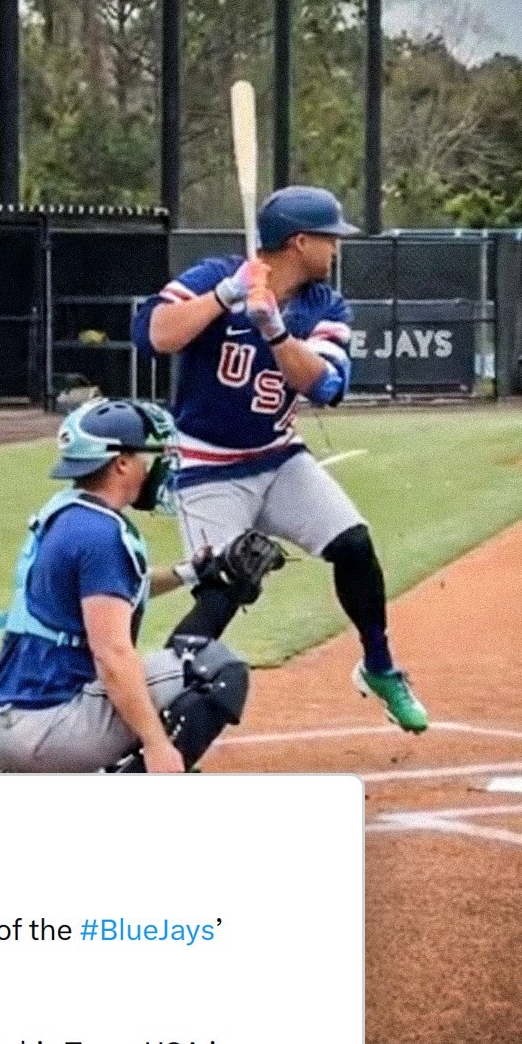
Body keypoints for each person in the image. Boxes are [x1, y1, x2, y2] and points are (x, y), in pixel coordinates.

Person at [131, 185, 428, 733]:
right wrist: (225, 295)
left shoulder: (324, 307)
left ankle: (381, 667)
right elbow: (153, 335)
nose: (335, 250)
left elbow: (324, 384)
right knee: (226, 586)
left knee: (354, 545)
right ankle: (144, 717)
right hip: (209, 464)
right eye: (329, 239)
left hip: (278, 455)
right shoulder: (214, 275)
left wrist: (272, 327)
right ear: (298, 242)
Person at [0, 398, 275, 774]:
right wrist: (157, 744)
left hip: (16, 714)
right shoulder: (101, 536)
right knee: (217, 670)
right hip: (50, 726)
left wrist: (192, 572)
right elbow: (112, 655)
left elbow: (120, 589)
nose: (156, 466)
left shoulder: (68, 514)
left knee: (174, 664)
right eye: (148, 455)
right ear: (121, 463)